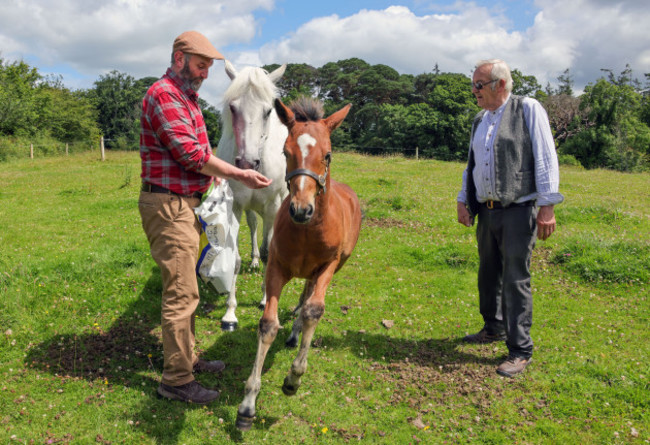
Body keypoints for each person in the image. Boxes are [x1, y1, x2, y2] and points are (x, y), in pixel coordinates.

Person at [139, 31, 272, 404]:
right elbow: (189, 153)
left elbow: (200, 148)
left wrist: (213, 174)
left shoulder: (187, 98)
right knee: (181, 292)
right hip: (168, 205)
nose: (206, 74)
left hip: (185, 203)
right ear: (179, 58)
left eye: (209, 67)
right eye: (201, 65)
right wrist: (237, 173)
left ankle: (188, 358)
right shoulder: (164, 95)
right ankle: (177, 380)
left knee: (190, 288)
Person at [456, 59, 564, 378]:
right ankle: (493, 327)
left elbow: (546, 156)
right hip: (487, 210)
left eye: (479, 84)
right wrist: (464, 199)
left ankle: (520, 350)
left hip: (519, 208)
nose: (473, 90)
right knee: (488, 272)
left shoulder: (527, 108)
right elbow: (472, 164)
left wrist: (547, 205)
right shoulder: (480, 119)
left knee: (515, 278)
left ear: (499, 84)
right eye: (473, 84)